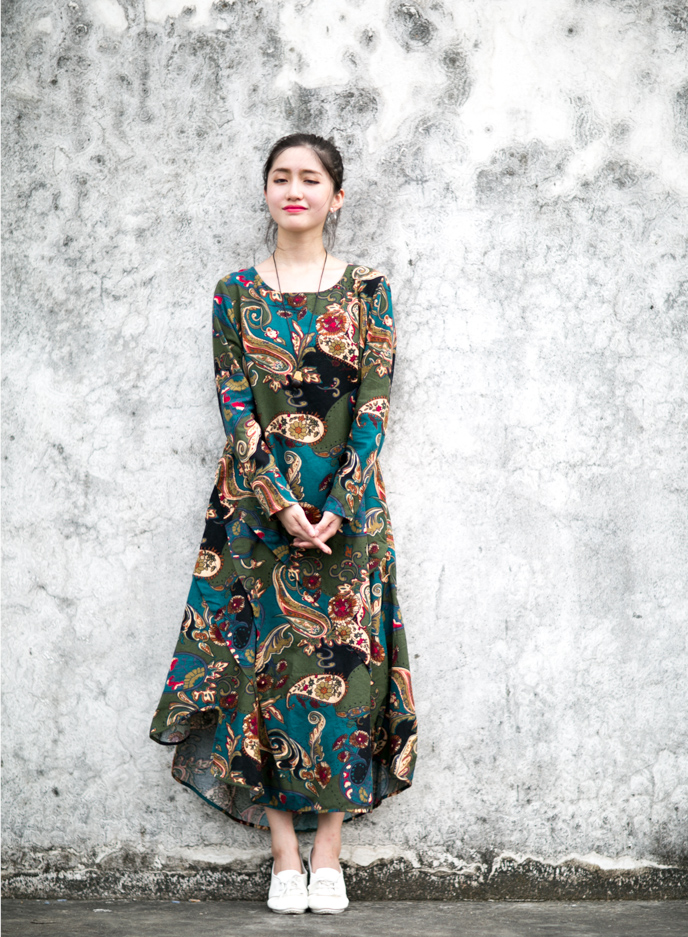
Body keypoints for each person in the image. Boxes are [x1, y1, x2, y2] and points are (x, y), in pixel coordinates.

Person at [149, 132, 418, 914]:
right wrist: (279, 500)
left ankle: (328, 852)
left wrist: (339, 502)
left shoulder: (368, 289)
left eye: (310, 179)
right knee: (258, 667)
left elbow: (375, 402)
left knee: (350, 672)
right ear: (265, 191)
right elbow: (234, 401)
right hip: (255, 513)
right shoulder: (233, 292)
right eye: (280, 177)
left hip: (349, 512)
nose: (293, 189)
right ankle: (283, 854)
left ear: (337, 196)